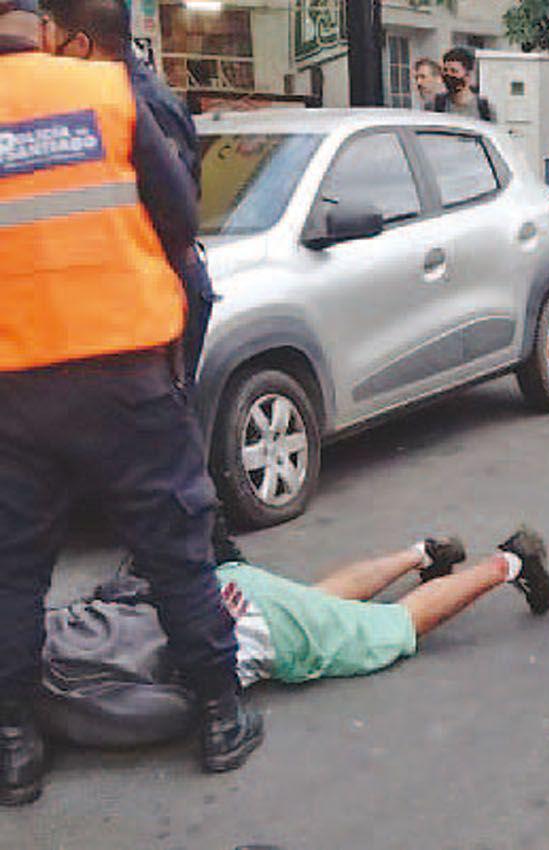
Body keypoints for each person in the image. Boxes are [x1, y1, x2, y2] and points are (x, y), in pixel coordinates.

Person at [0, 0, 260, 806]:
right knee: (171, 538)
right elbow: (181, 214)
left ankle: (12, 740)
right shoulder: (104, 91)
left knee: (12, 563)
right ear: (43, 30)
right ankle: (220, 713)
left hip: (14, 383)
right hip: (125, 370)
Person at [36, 526, 549, 748]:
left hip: (242, 626)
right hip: (213, 592)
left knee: (388, 631)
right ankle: (421, 554)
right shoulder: (27, 628)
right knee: (315, 604)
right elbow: (110, 593)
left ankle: (509, 562)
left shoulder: (50, 700)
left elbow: (173, 711)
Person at [40, 0, 216, 383]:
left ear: (80, 45)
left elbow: (174, 211)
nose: (47, 54)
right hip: (141, 292)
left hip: (167, 289)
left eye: (52, 40)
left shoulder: (141, 103)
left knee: (163, 413)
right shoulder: (115, 98)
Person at [433, 46, 495, 121]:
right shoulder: (437, 105)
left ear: (468, 75)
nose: (448, 75)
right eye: (445, 70)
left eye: (454, 71)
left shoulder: (484, 109)